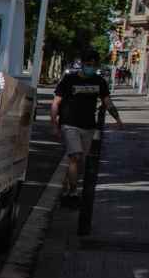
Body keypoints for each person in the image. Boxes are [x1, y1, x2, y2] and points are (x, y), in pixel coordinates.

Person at [50, 53, 123, 204]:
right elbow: (56, 102)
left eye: (94, 64)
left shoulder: (99, 81)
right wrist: (54, 124)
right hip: (69, 124)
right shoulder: (69, 80)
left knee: (79, 161)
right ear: (83, 63)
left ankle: (68, 184)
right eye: (88, 63)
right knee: (75, 156)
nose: (91, 67)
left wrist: (118, 119)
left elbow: (107, 102)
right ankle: (73, 192)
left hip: (88, 126)